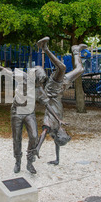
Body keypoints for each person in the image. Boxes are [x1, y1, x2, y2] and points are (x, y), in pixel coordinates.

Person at [0, 57, 65, 174]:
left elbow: (47, 105)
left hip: (29, 113)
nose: (40, 83)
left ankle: (30, 162)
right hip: (17, 112)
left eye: (41, 82)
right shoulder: (23, 77)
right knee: (17, 138)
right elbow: (7, 71)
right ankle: (17, 161)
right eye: (39, 80)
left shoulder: (39, 90)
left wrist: (57, 119)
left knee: (34, 136)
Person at [34, 37, 87, 165]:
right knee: (80, 70)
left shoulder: (49, 125)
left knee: (62, 68)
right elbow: (57, 144)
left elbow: (42, 135)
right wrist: (57, 160)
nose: (65, 130)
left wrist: (37, 148)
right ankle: (76, 51)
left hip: (52, 91)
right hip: (61, 90)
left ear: (59, 134)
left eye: (65, 132)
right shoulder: (57, 131)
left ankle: (44, 48)